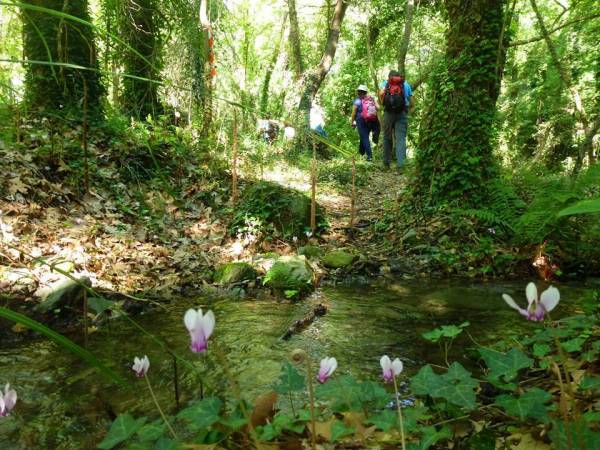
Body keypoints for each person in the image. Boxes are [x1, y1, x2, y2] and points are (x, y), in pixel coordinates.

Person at [378, 70, 414, 169]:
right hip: (402, 113)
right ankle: (401, 165)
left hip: (388, 113)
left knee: (387, 137)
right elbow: (411, 101)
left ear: (389, 77)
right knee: (401, 138)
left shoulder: (385, 83)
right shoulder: (405, 84)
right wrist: (410, 109)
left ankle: (386, 164)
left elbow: (381, 94)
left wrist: (384, 103)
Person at [350, 84, 380, 162]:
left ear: (358, 92)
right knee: (363, 137)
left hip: (361, 121)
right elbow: (378, 108)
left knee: (364, 137)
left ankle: (369, 157)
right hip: (371, 121)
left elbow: (353, 113)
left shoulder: (357, 101)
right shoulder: (371, 99)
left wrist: (352, 122)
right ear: (365, 92)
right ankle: (361, 153)